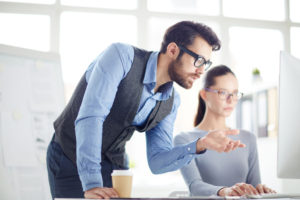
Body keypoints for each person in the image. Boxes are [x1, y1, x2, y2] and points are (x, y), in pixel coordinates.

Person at [46, 21, 246, 199]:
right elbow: (91, 117)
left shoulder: (171, 100)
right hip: (70, 155)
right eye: (199, 60)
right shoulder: (121, 57)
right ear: (173, 50)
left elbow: (157, 161)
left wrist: (199, 145)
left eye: (206, 63)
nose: (202, 70)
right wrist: (92, 184)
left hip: (115, 165)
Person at [174, 65, 275, 197]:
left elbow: (254, 186)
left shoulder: (248, 138)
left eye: (235, 93)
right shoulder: (184, 140)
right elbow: (194, 186)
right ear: (204, 94)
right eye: (223, 92)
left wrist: (260, 190)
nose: (231, 99)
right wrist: (225, 192)